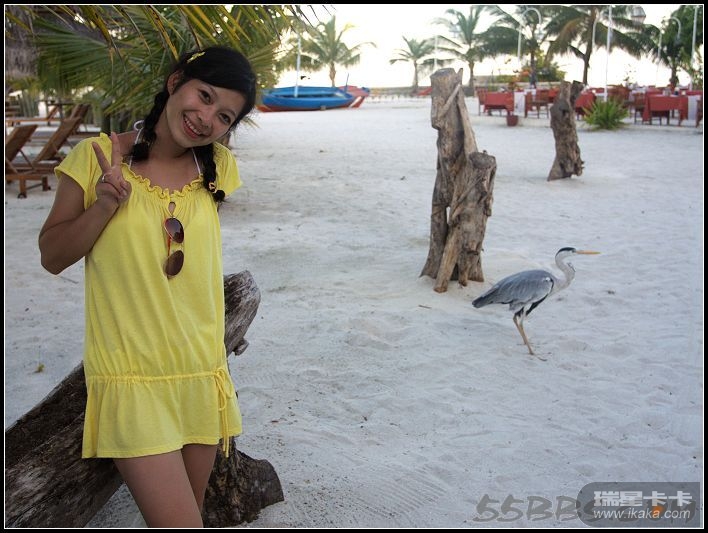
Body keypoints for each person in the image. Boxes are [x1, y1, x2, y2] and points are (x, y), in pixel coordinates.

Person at [38, 46, 256, 527]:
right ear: (175, 81)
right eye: (204, 96)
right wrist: (104, 206)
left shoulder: (217, 168)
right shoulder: (96, 157)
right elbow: (52, 257)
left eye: (224, 115)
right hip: (131, 378)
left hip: (200, 372)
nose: (205, 118)